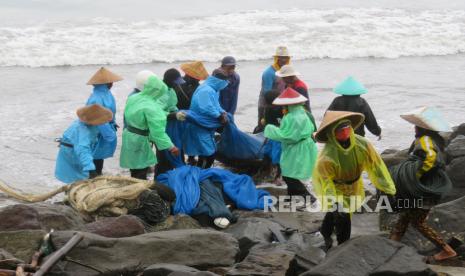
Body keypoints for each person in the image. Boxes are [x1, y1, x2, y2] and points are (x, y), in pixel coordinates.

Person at [312, 111, 396, 250]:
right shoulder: (326, 157)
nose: (345, 133)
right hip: (336, 187)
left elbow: (376, 166)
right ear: (333, 133)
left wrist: (387, 189)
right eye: (340, 130)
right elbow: (326, 183)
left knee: (338, 213)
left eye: (347, 128)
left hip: (354, 184)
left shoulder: (362, 144)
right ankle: (343, 246)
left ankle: (325, 231)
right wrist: (334, 201)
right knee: (342, 216)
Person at [389, 106, 456, 262]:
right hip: (427, 187)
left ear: (422, 127)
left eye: (416, 126)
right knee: (404, 219)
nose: (414, 128)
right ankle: (390, 248)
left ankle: (447, 251)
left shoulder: (425, 139)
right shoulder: (435, 138)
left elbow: (431, 158)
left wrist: (414, 176)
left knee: (417, 222)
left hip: (423, 188)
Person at [120, 75, 180, 180]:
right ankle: (139, 192)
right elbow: (158, 133)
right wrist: (171, 147)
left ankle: (134, 187)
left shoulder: (134, 97)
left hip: (128, 135)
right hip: (140, 140)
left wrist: (166, 113)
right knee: (141, 169)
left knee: (133, 167)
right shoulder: (151, 107)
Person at [264, 88, 318, 196]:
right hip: (305, 146)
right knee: (290, 174)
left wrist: (270, 129)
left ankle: (308, 197)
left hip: (296, 148)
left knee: (289, 175)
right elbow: (313, 129)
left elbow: (288, 136)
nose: (283, 108)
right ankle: (291, 196)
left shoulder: (290, 117)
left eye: (284, 105)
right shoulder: (304, 113)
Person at [55, 104, 115, 183]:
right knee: (76, 180)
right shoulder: (83, 131)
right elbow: (83, 150)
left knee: (78, 176)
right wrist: (90, 169)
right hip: (72, 154)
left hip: (72, 150)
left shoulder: (86, 123)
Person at [184, 72, 229, 169]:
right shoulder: (206, 90)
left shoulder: (213, 89)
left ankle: (201, 174)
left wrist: (223, 112)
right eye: (224, 82)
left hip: (206, 126)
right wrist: (219, 116)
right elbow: (206, 107)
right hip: (199, 125)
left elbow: (215, 105)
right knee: (208, 154)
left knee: (205, 151)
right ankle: (202, 175)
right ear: (219, 82)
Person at [85, 67, 123, 177]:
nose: (112, 83)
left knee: (98, 157)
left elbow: (109, 112)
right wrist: (109, 134)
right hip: (96, 132)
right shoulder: (97, 98)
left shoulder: (106, 93)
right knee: (94, 157)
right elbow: (98, 118)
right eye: (110, 81)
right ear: (106, 83)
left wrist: (113, 123)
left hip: (102, 130)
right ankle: (93, 181)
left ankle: (97, 176)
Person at [155, 68, 188, 176]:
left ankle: (170, 178)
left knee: (176, 151)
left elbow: (172, 105)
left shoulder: (171, 90)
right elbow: (157, 112)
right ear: (169, 80)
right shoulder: (161, 92)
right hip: (161, 128)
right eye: (175, 83)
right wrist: (173, 115)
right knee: (164, 156)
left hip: (171, 126)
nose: (177, 85)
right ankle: (160, 180)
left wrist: (177, 112)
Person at [255, 46, 290, 133]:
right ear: (277, 58)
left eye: (286, 58)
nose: (284, 60)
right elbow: (267, 93)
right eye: (282, 58)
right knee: (263, 128)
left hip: (280, 104)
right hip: (267, 105)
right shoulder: (269, 73)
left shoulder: (286, 71)